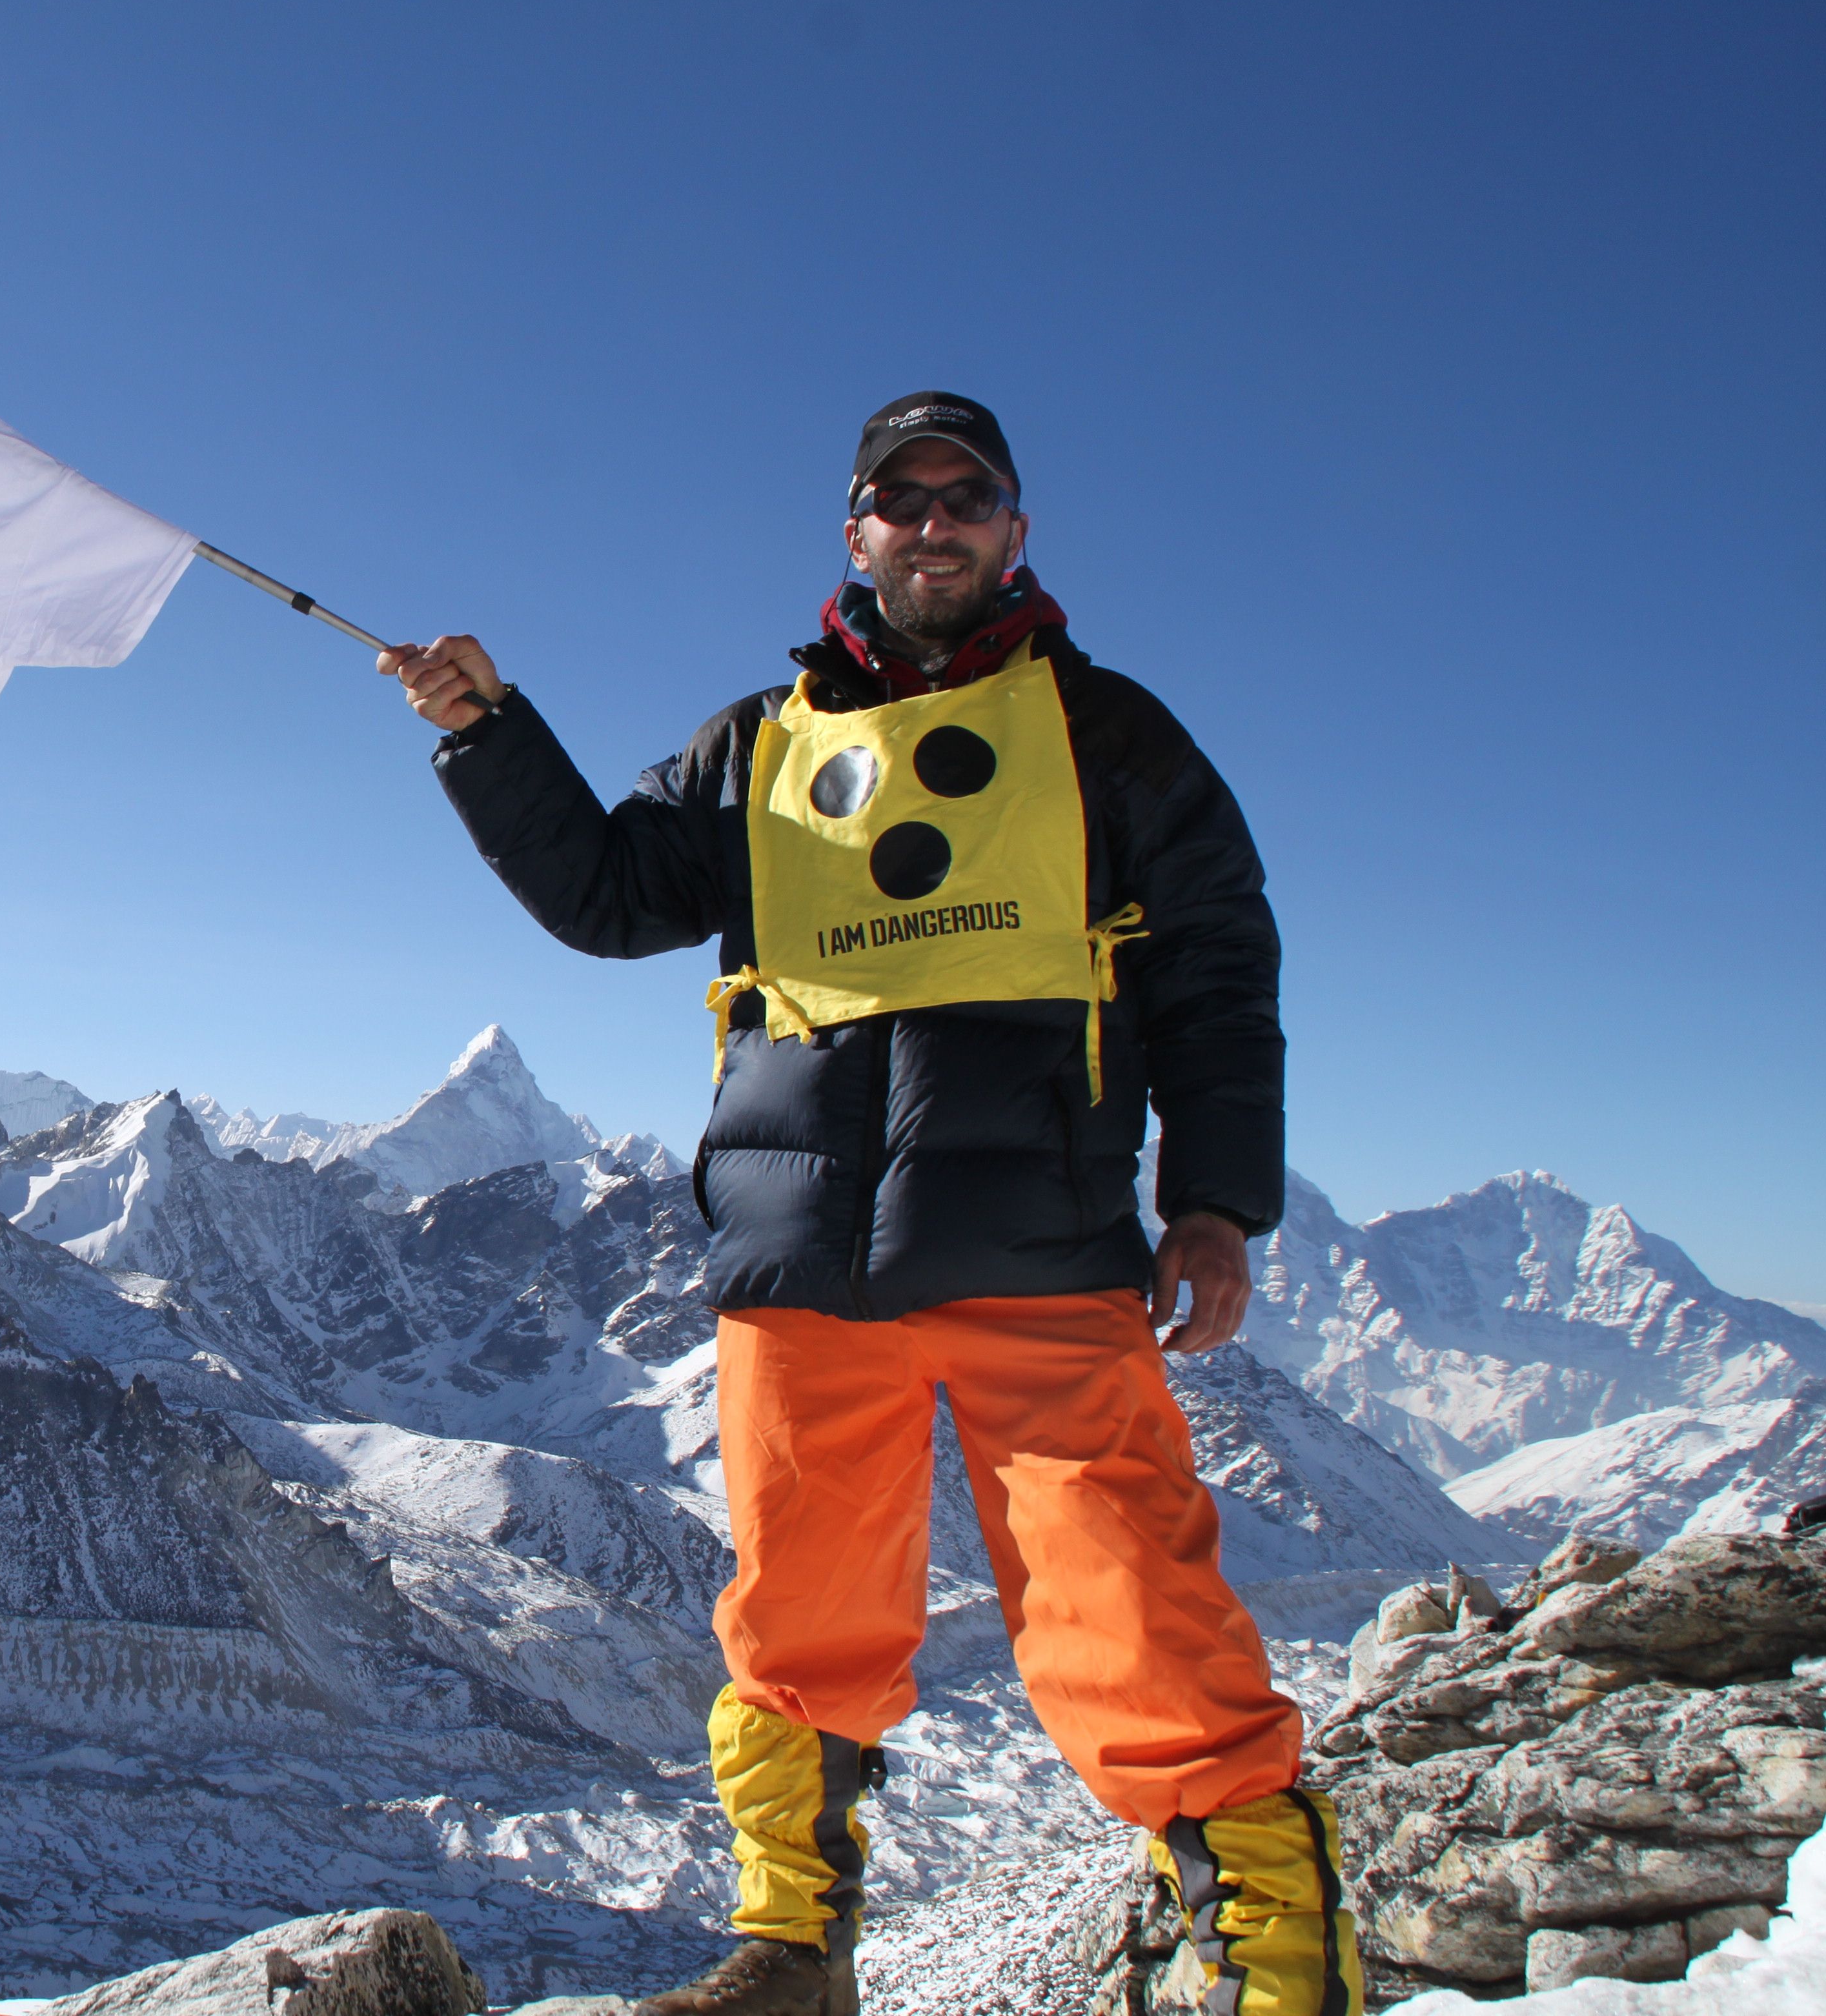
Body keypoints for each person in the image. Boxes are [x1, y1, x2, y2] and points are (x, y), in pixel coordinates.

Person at [380, 394, 1361, 2016]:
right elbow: (615, 897)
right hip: (799, 1251)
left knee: (1132, 1602)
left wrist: (1215, 1203)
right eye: (898, 500)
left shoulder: (1113, 737)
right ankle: (790, 1952)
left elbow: (1215, 971)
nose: (932, 522)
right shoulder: (757, 741)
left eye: (964, 496)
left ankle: (1273, 1960)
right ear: (857, 536)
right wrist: (491, 736)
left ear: (1014, 530)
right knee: (797, 1614)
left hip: (1041, 1238)